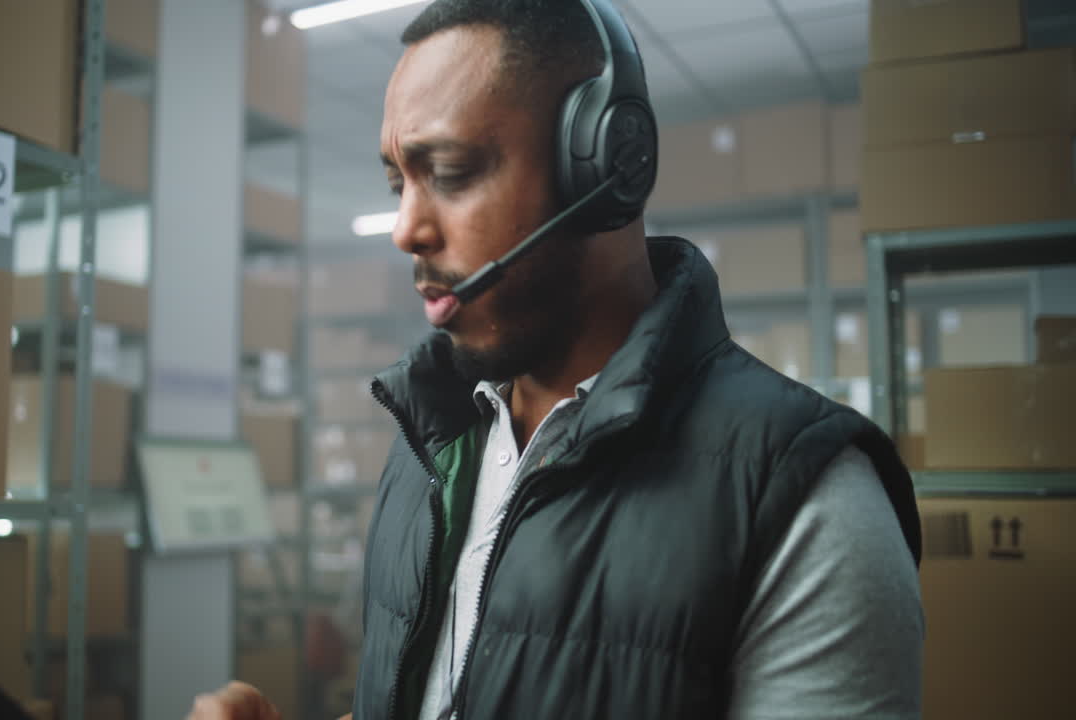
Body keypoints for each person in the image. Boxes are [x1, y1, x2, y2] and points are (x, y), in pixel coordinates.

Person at [189, 0, 924, 718]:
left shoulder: (802, 499)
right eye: (396, 183)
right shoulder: (427, 451)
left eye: (447, 171)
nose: (405, 228)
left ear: (607, 168)